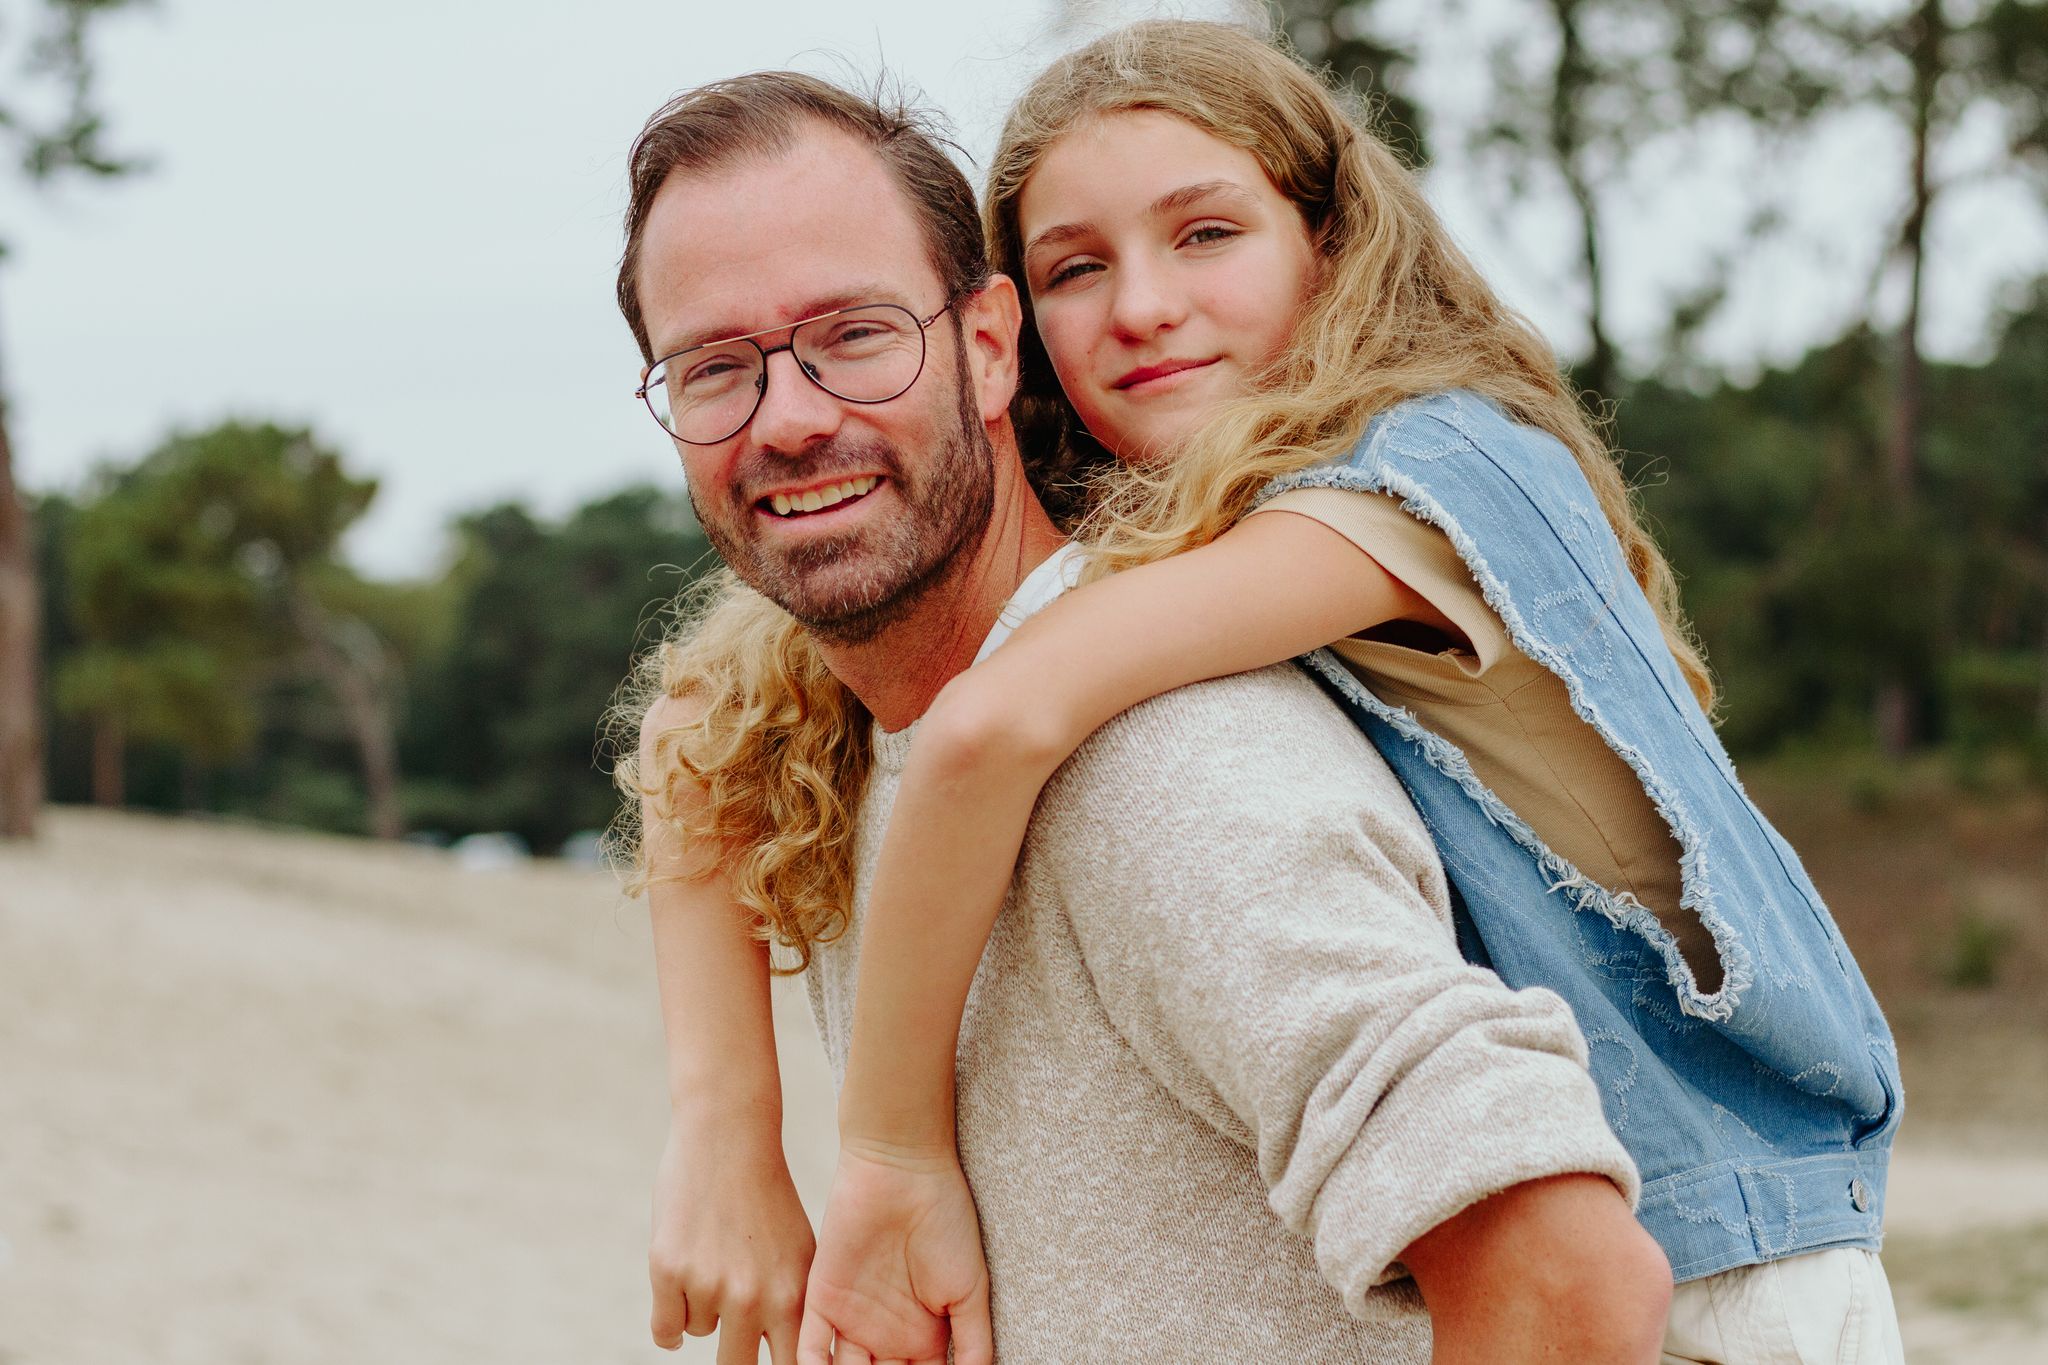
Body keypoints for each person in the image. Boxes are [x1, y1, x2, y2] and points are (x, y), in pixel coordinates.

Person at [802, 18, 1907, 1365]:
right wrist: (726, 1132)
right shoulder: (1222, 515)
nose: (1141, 304)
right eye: (1075, 268)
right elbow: (707, 714)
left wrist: (889, 1154)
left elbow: (993, 722)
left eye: (1206, 234)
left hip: (1721, 1277)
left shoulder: (1429, 473)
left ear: (1328, 242)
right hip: (1598, 1242)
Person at [613, 64, 1669, 1365]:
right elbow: (692, 729)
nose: (789, 418)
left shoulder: (1163, 770)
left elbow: (1562, 1279)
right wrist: (723, 1120)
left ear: (991, 348)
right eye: (715, 367)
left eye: (856, 335)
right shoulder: (817, 730)